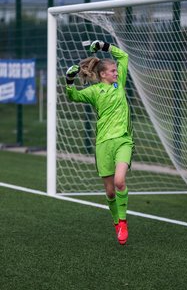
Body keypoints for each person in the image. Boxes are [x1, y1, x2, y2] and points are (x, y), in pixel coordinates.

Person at [65, 40, 134, 245]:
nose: (115, 72)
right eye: (112, 71)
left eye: (115, 70)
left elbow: (124, 57)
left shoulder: (118, 83)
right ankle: (116, 222)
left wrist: (105, 46)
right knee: (110, 191)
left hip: (123, 140)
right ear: (102, 74)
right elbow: (74, 96)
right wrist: (69, 80)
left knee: (120, 182)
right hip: (103, 143)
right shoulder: (95, 92)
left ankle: (123, 222)